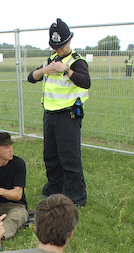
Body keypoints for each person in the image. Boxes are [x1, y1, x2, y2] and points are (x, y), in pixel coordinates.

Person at [27, 18, 90, 207]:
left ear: (69, 41)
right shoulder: (50, 60)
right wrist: (44, 70)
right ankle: (53, 190)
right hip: (50, 115)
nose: (58, 49)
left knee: (69, 158)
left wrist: (66, 71)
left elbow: (85, 82)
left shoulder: (77, 61)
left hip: (68, 115)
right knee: (51, 156)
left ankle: (76, 197)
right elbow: (31, 77)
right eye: (55, 46)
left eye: (61, 45)